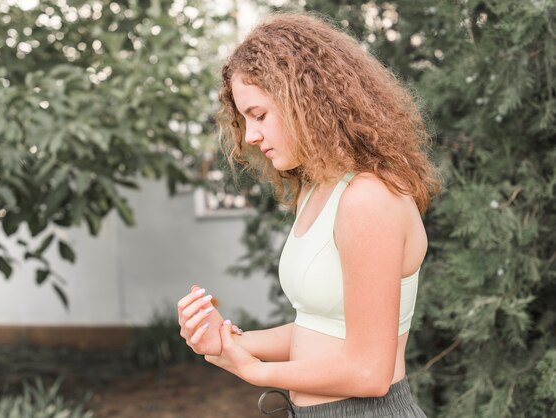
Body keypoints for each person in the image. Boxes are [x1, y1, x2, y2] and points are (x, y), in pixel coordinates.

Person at [177, 12, 439, 418]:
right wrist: (230, 340)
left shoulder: (368, 199)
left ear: (307, 101)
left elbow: (371, 372)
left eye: (259, 115)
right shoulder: (318, 190)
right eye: (244, 120)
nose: (249, 136)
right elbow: (318, 330)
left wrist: (256, 372)